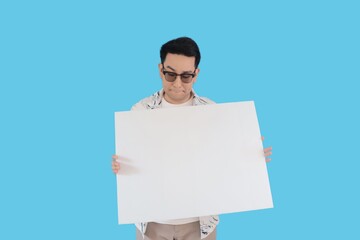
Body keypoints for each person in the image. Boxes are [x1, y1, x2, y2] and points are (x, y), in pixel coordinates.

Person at [111, 37, 273, 240]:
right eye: (170, 74)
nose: (178, 83)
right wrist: (122, 167)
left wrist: (250, 159)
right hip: (152, 223)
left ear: (196, 74)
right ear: (160, 69)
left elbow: (223, 160)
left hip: (200, 224)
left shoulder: (212, 111)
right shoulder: (140, 110)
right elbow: (133, 166)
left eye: (186, 76)